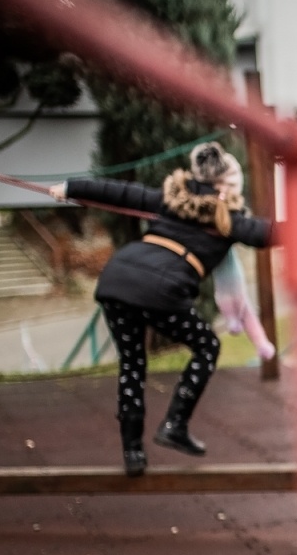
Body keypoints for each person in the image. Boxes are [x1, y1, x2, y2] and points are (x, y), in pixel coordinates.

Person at [50, 142, 277, 476]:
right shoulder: (229, 220)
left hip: (118, 278)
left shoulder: (167, 199)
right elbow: (268, 232)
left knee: (132, 364)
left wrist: (69, 188)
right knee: (207, 346)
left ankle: (133, 451)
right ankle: (175, 424)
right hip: (160, 290)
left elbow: (119, 192)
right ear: (225, 187)